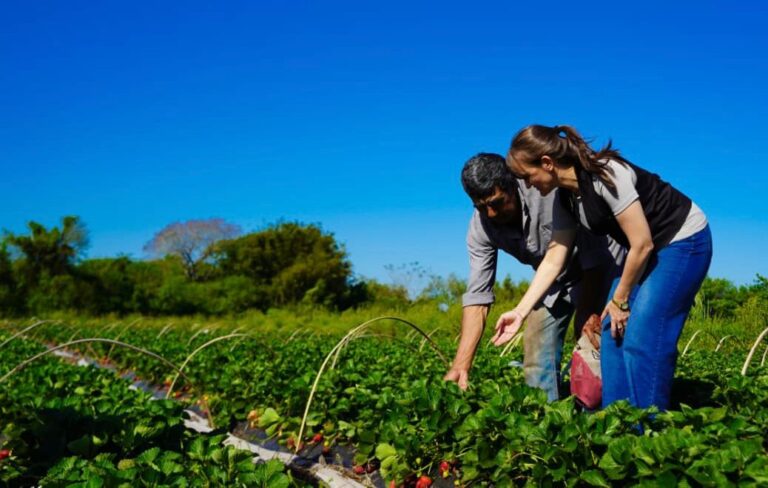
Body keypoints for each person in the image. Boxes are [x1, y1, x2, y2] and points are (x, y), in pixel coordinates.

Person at [494, 125, 712, 411]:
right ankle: (617, 423)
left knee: (642, 332)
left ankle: (647, 428)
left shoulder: (606, 173)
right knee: (611, 331)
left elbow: (642, 243)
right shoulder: (566, 198)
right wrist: (520, 312)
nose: (528, 185)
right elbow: (554, 257)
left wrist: (620, 299)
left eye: (527, 176)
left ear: (546, 163)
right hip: (645, 252)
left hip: (683, 240)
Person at [444, 153, 620, 401]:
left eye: (496, 202)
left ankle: (612, 414)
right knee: (536, 350)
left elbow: (595, 256)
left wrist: (588, 313)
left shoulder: (547, 192)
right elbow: (477, 299)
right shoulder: (481, 227)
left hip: (602, 266)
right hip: (553, 281)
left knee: (599, 343)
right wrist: (461, 364)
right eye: (481, 207)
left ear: (514, 185)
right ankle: (548, 423)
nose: (491, 213)